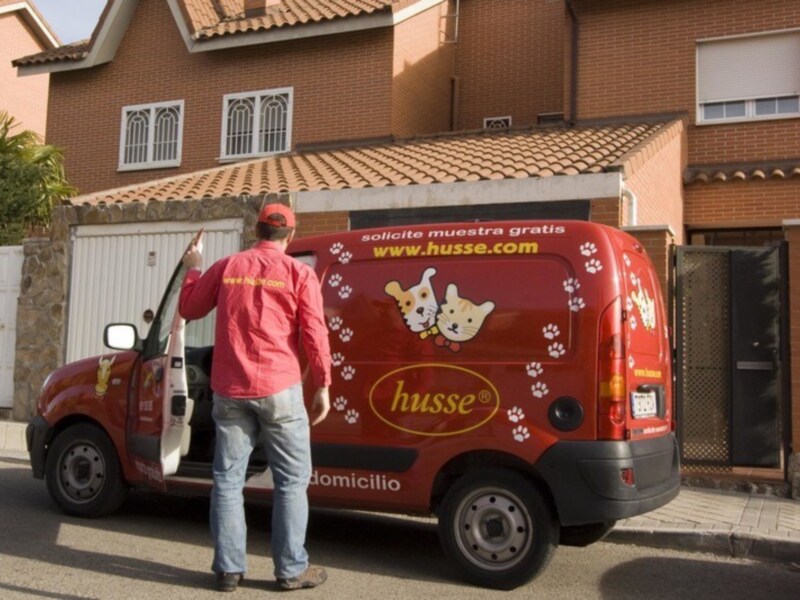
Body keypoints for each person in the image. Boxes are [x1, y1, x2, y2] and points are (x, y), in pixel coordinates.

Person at [179, 203, 332, 593]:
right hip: (281, 391)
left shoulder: (228, 267)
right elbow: (315, 333)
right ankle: (291, 571)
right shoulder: (300, 273)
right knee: (292, 483)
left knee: (227, 482)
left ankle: (229, 571)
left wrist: (192, 266)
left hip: (230, 390)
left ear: (257, 230)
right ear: (290, 236)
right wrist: (323, 385)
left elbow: (189, 308)